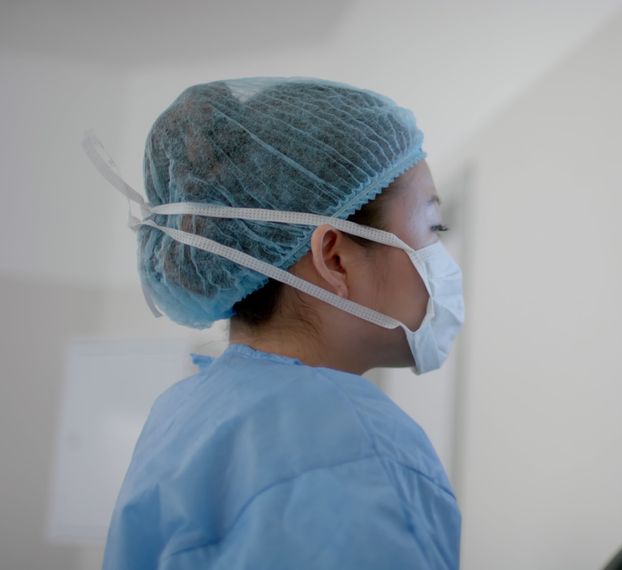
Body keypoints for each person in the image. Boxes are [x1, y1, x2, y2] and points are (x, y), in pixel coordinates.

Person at [84, 77, 464, 569]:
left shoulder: (182, 415)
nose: (442, 258)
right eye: (434, 228)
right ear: (336, 257)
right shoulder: (359, 449)